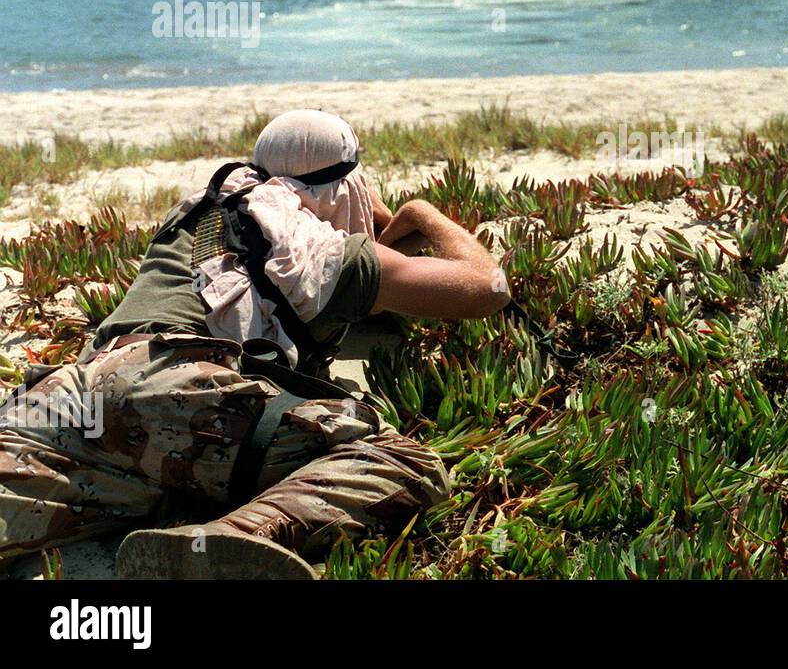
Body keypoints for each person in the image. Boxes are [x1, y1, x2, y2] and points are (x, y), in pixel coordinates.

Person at [0, 109, 510, 578]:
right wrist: (417, 212)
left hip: (76, 391)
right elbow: (487, 287)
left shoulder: (198, 212)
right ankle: (232, 538)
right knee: (404, 462)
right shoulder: (323, 253)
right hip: (184, 395)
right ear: (348, 187)